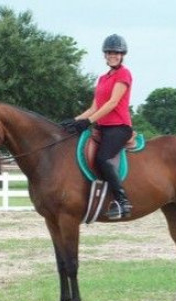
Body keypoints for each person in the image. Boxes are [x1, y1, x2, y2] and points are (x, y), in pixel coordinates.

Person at [64, 34, 133, 220]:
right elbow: (94, 107)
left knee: (103, 158)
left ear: (122, 55)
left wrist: (88, 121)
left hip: (119, 127)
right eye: (110, 52)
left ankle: (122, 201)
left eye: (117, 53)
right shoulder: (103, 78)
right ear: (105, 55)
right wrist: (74, 120)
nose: (113, 55)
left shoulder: (123, 74)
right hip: (102, 127)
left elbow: (112, 103)